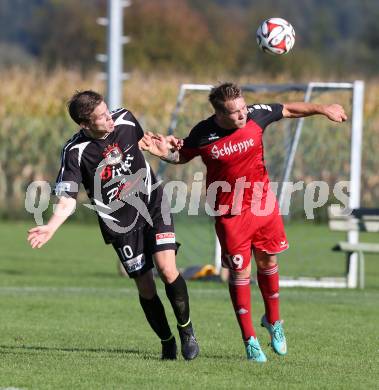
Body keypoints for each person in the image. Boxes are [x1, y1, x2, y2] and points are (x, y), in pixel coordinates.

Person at [139, 82, 347, 362]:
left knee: (269, 263)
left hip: (263, 206)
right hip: (230, 214)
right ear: (220, 115)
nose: (242, 115)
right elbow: (182, 155)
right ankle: (249, 340)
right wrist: (165, 152)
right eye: (235, 113)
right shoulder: (203, 133)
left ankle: (274, 322)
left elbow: (287, 109)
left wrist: (324, 109)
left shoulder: (256, 115)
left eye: (243, 108)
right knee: (240, 274)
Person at [27, 90, 199, 361]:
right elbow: (67, 200)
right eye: (102, 117)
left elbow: (144, 142)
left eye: (108, 112)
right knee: (145, 286)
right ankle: (167, 342)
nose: (110, 119)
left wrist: (171, 148)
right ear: (85, 124)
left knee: (167, 269)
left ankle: (186, 330)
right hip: (119, 223)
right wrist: (51, 226)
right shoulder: (75, 152)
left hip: (153, 203)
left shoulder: (126, 119)